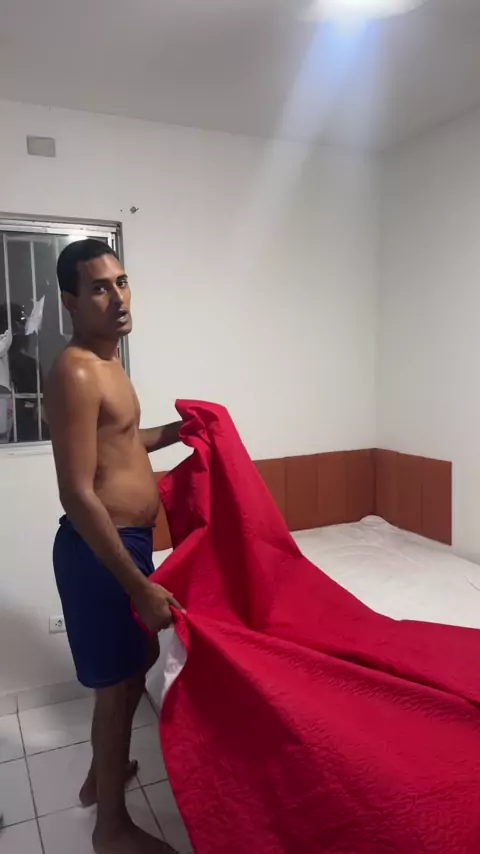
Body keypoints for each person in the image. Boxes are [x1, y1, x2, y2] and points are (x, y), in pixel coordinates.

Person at [45, 239, 181, 854]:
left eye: (122, 282)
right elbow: (77, 493)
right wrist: (137, 584)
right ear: (71, 301)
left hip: (125, 543)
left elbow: (122, 441)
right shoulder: (75, 370)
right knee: (118, 685)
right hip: (100, 550)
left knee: (134, 668)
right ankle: (111, 828)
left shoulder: (109, 364)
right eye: (99, 287)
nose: (118, 298)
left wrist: (178, 431)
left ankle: (99, 777)